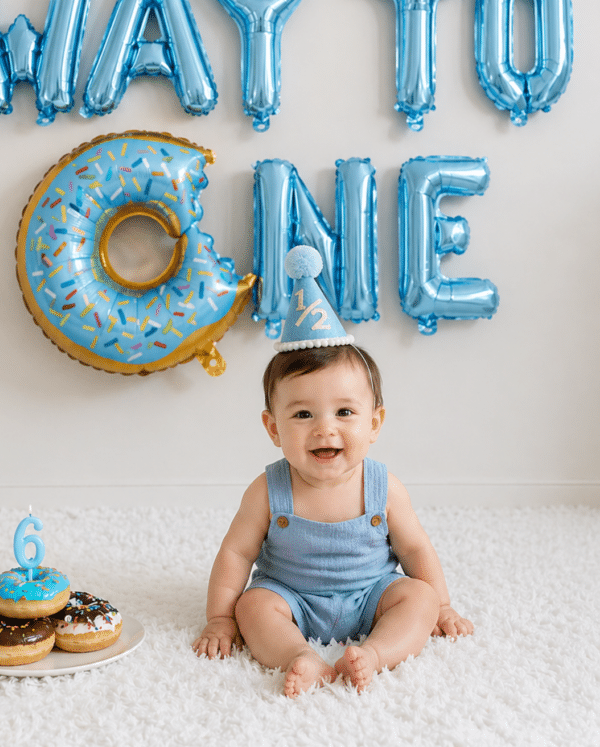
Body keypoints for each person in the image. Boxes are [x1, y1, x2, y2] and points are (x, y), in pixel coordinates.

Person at [192, 247, 473, 697]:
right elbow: (236, 556)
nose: (325, 428)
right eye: (302, 414)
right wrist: (220, 618)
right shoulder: (268, 491)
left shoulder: (384, 489)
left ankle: (376, 653)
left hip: (371, 595)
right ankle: (297, 655)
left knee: (416, 598)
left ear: (374, 424)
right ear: (273, 428)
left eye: (345, 411)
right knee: (254, 606)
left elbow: (416, 549)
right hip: (291, 597)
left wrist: (441, 605)